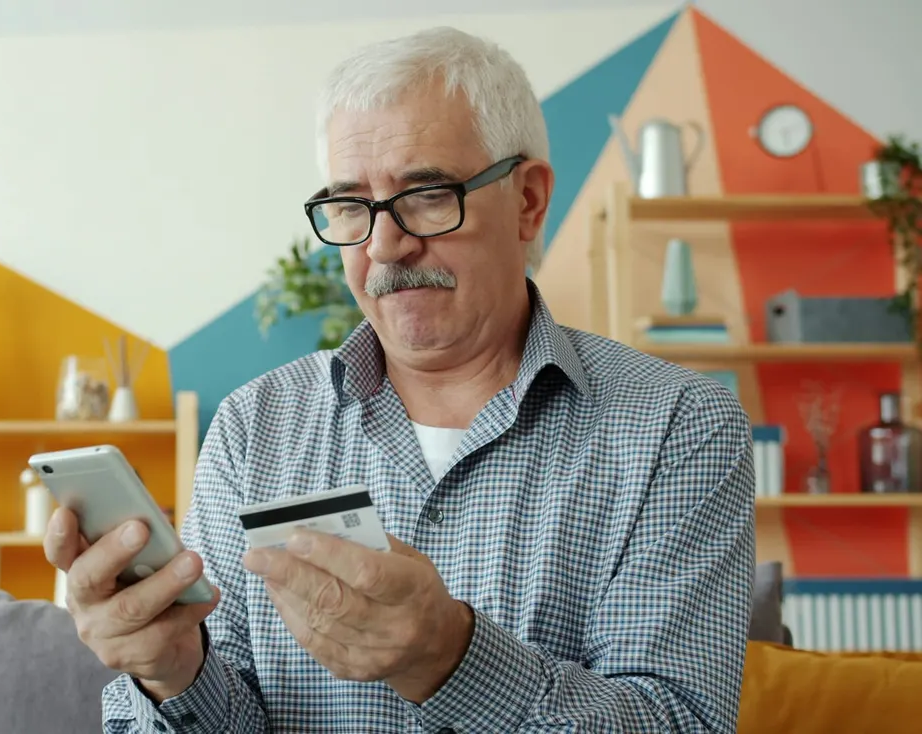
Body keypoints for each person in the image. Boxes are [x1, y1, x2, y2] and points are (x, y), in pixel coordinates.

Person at [46, 25, 755, 733]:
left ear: (528, 201)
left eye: (428, 194)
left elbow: (682, 723)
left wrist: (450, 661)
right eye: (352, 206)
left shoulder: (677, 425)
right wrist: (174, 676)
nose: (385, 245)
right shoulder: (252, 428)